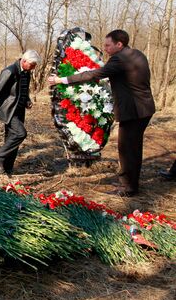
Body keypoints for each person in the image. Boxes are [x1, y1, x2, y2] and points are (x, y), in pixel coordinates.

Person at [49, 29, 155, 196]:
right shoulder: (136, 54)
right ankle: (128, 181)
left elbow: (94, 74)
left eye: (108, 45)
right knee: (134, 147)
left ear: (119, 44)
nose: (105, 48)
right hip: (145, 108)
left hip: (133, 111)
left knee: (126, 149)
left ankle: (129, 188)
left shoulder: (119, 59)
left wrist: (61, 80)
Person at [0, 50, 42, 176]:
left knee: (11, 140)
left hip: (19, 110)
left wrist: (27, 101)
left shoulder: (27, 72)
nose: (33, 68)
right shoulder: (10, 71)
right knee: (20, 134)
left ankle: (7, 169)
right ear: (24, 61)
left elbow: (23, 89)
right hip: (8, 110)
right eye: (32, 64)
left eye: (35, 65)